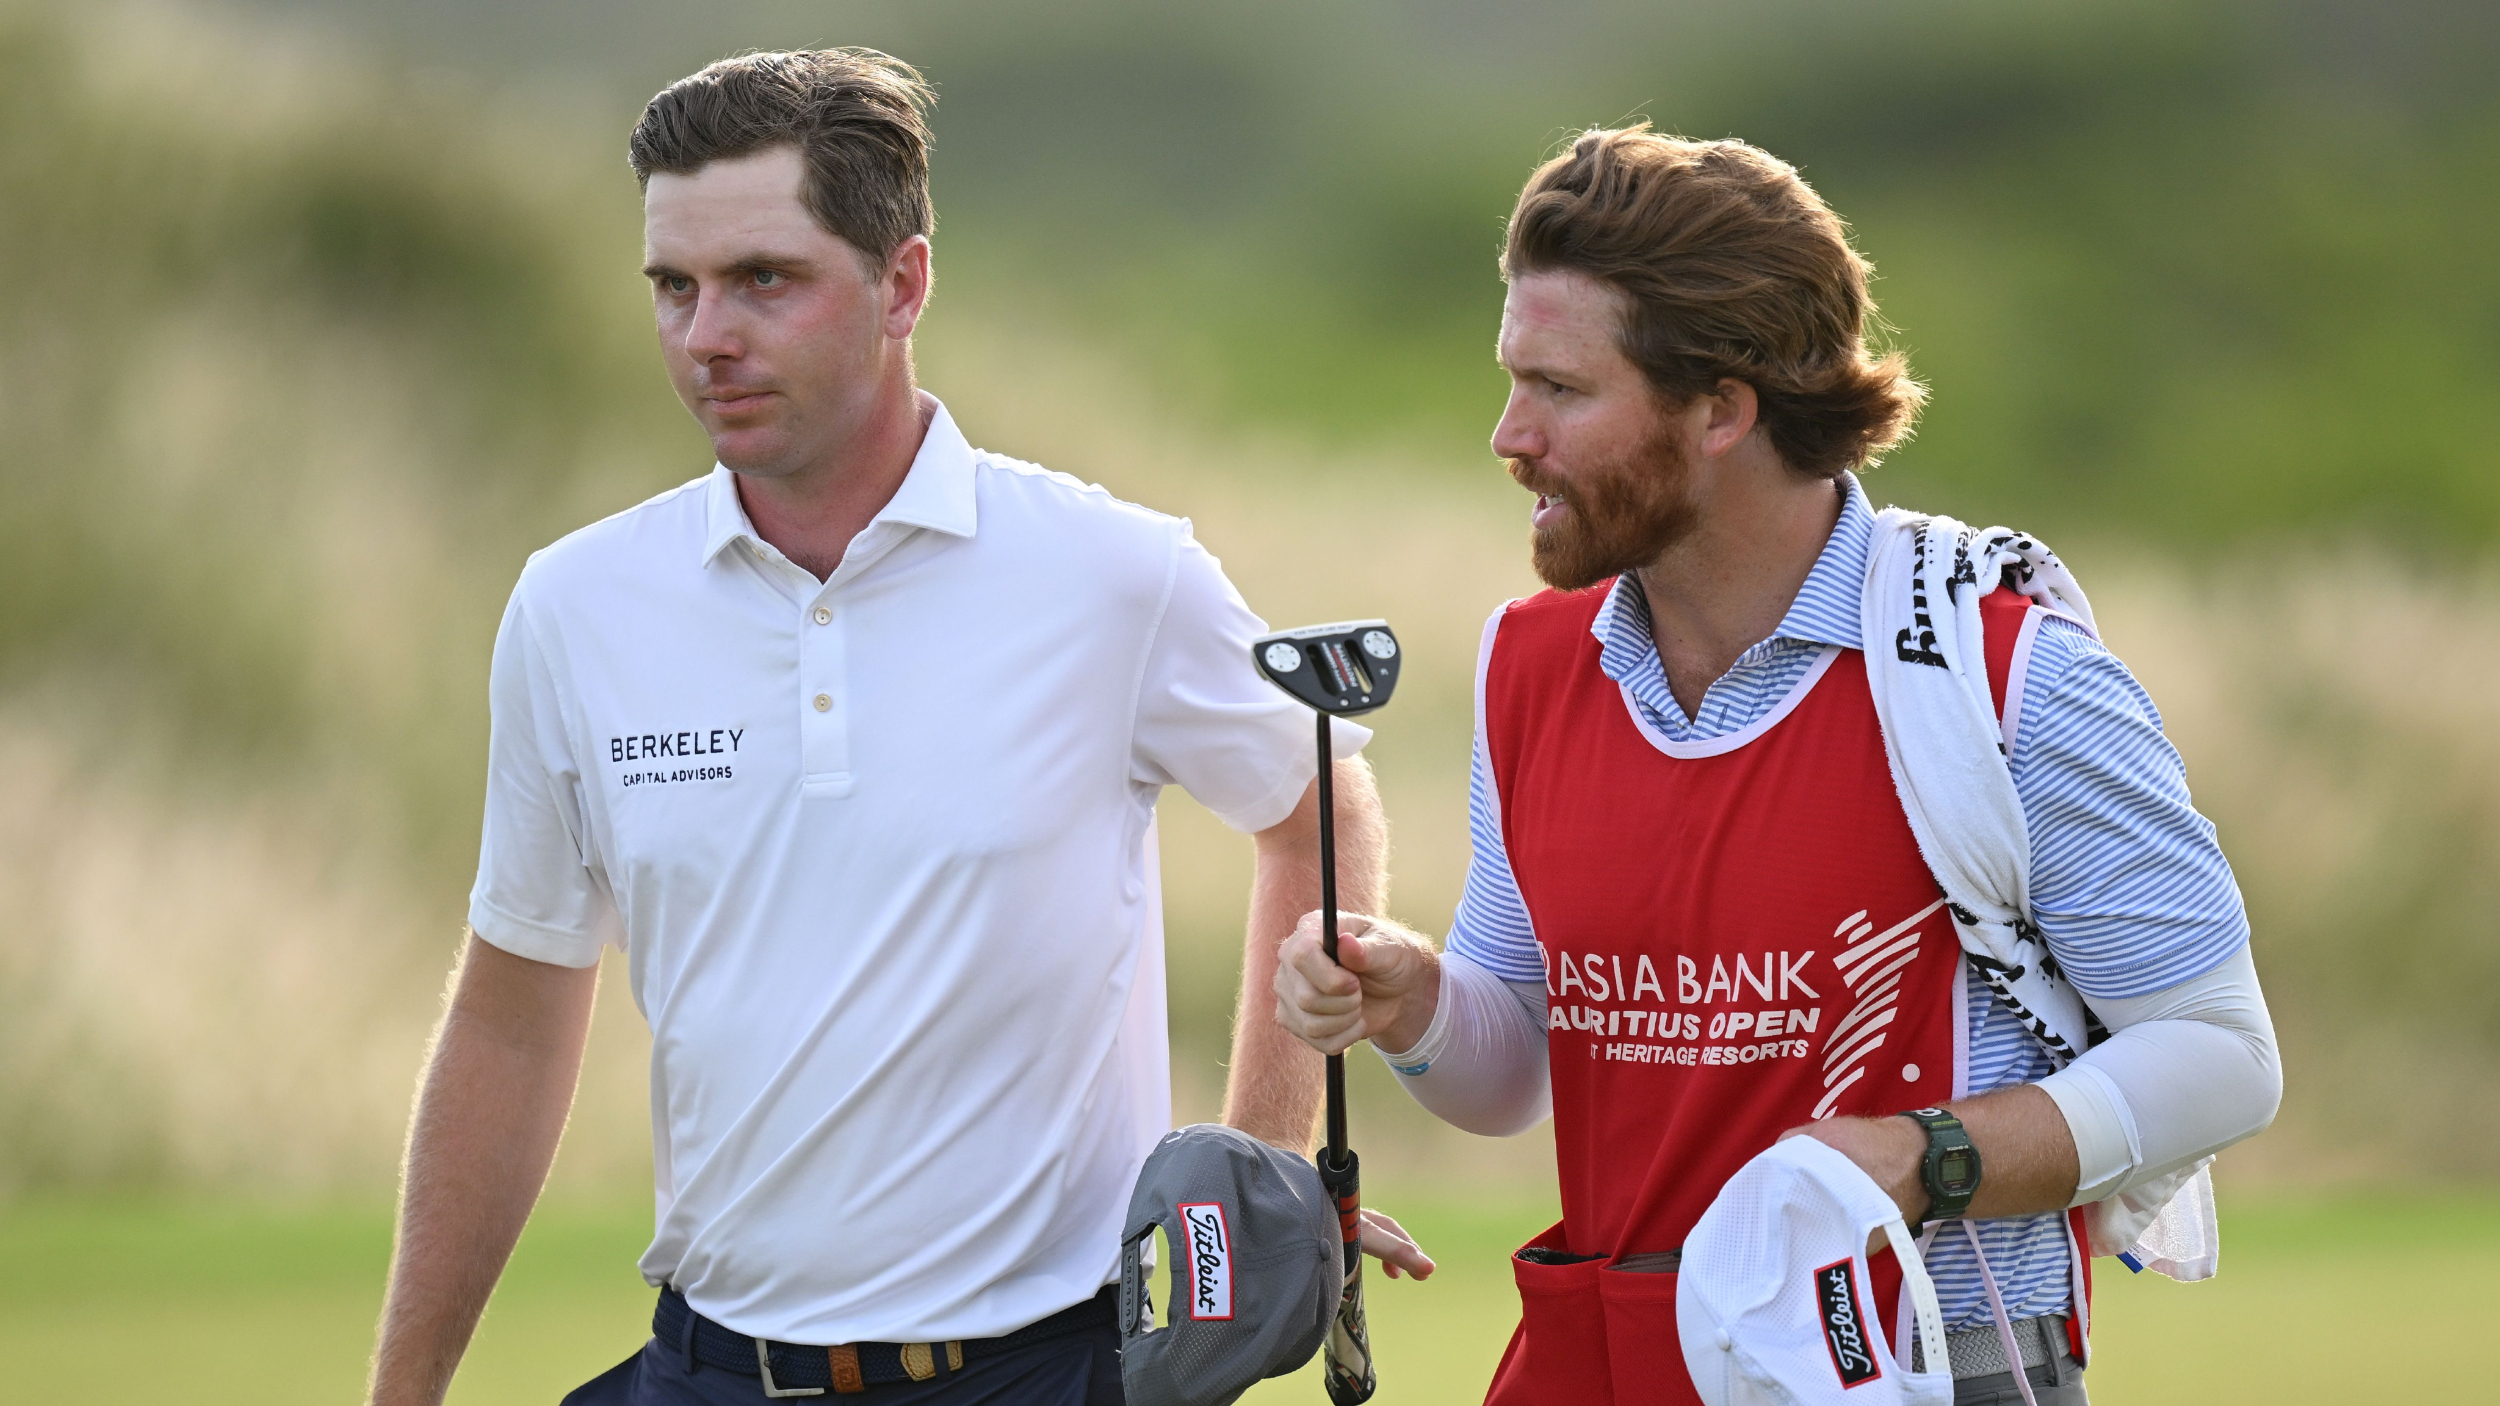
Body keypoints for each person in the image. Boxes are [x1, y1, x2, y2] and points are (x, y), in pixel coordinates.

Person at [364, 49, 1425, 1406]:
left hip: (1047, 1370)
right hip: (706, 1368)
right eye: (673, 288)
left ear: (903, 283)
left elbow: (1316, 803)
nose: (706, 336)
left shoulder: (1112, 574)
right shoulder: (577, 607)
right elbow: (513, 1020)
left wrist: (1251, 1184)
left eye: (764, 279)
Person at [1272, 127, 2281, 1406]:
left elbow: (2218, 1051)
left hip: (1914, 1363)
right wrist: (1412, 999)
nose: (1507, 436)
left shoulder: (2004, 674)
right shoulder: (1529, 663)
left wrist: (1927, 1157)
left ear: (1721, 411)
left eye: (1561, 391)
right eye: (1511, 381)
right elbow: (1517, 1069)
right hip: (1602, 1356)